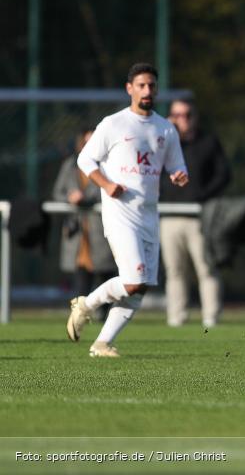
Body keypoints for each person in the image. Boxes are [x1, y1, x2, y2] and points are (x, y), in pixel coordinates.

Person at [65, 63, 189, 357]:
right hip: (120, 213)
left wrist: (179, 174)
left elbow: (176, 164)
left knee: (141, 286)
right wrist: (106, 185)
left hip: (149, 214)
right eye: (142, 85)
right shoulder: (113, 124)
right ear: (129, 88)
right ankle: (85, 305)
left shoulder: (165, 128)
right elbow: (85, 160)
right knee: (133, 281)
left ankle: (102, 343)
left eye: (152, 86)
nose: (147, 91)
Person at [160, 99, 231, 328]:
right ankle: (176, 317)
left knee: (206, 268)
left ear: (195, 116)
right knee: (174, 271)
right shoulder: (163, 144)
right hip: (169, 217)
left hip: (199, 218)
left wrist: (202, 196)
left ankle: (210, 317)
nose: (182, 119)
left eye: (187, 114)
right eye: (176, 115)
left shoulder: (208, 142)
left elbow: (223, 175)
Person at [52, 127, 116, 299]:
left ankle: (105, 316)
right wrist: (70, 197)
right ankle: (80, 316)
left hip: (100, 228)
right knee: (81, 281)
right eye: (86, 142)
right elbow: (58, 193)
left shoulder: (109, 165)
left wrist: (88, 199)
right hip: (78, 231)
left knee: (105, 275)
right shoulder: (71, 165)